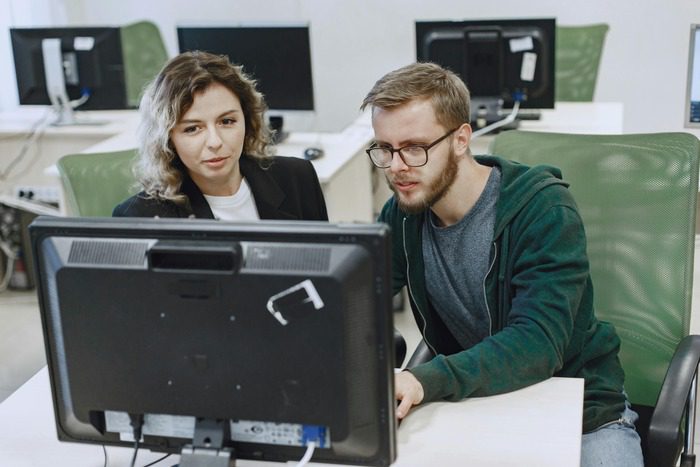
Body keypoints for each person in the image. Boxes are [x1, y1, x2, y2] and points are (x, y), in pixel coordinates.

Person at [361, 62, 643, 466]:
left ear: (461, 139)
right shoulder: (404, 214)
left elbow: (537, 343)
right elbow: (355, 299)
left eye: (414, 148)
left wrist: (425, 379)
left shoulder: (543, 209)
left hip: (583, 411)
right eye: (385, 149)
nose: (396, 166)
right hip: (477, 406)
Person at [113, 51, 327, 221]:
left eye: (227, 121)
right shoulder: (141, 216)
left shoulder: (298, 179)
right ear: (168, 139)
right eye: (192, 129)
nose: (215, 142)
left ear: (248, 120)